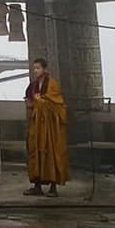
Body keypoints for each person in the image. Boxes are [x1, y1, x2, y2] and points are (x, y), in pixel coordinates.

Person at [24, 58, 71, 196]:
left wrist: (41, 102)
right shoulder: (33, 86)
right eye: (34, 69)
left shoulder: (52, 85)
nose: (35, 71)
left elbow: (57, 105)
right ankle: (37, 186)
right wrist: (31, 104)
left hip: (50, 128)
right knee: (35, 153)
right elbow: (31, 102)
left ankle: (53, 188)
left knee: (51, 153)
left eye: (38, 68)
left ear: (45, 69)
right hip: (37, 126)